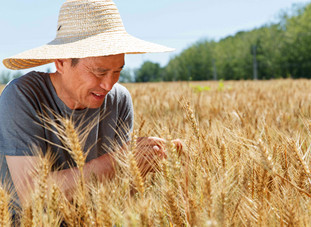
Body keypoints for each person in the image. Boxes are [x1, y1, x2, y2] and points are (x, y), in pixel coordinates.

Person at [0, 0, 179, 211]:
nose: (108, 84)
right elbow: (33, 194)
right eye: (99, 72)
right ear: (61, 62)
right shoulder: (22, 95)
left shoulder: (119, 99)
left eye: (117, 71)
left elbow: (120, 194)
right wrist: (118, 161)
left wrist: (148, 163)